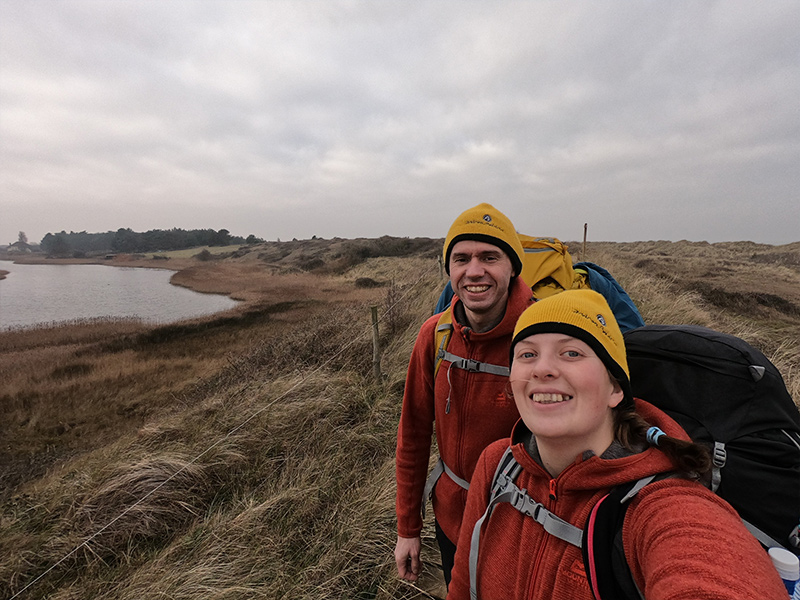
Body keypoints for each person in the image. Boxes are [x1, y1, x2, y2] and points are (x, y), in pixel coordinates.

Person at [447, 289, 787, 599]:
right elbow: (462, 587)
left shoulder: (660, 508)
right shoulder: (497, 465)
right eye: (527, 354)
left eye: (571, 352)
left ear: (615, 389)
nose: (543, 369)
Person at [394, 203, 534, 586]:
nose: (474, 271)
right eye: (461, 258)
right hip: (451, 521)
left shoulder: (544, 336)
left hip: (522, 529)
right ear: (450, 270)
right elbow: (414, 434)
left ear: (512, 267)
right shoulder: (434, 335)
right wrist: (408, 528)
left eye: (490, 256)